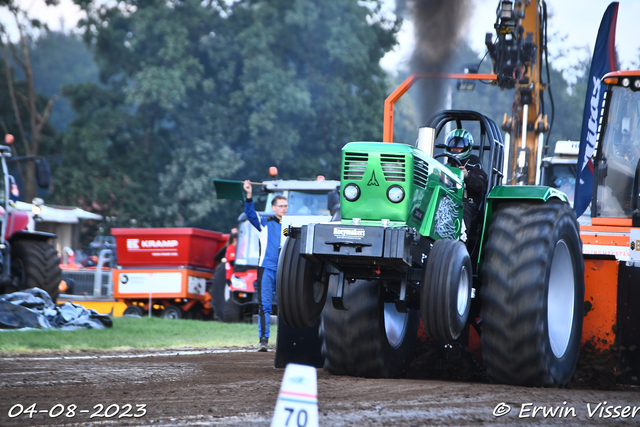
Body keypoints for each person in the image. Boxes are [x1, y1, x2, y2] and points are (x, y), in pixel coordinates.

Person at [243, 179, 288, 352]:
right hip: (267, 269)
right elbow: (250, 213)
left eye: (286, 206)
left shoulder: (292, 225)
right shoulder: (264, 223)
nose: (284, 209)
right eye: (281, 206)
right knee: (265, 306)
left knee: (287, 307)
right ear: (274, 207)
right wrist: (248, 194)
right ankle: (263, 341)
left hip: (285, 272)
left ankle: (285, 341)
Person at [444, 129, 488, 242]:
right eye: (452, 146)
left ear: (467, 147)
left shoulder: (474, 164)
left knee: (460, 211)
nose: (455, 149)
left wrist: (467, 176)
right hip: (445, 200)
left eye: (459, 146)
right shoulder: (446, 166)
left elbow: (481, 185)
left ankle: (460, 246)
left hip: (467, 203)